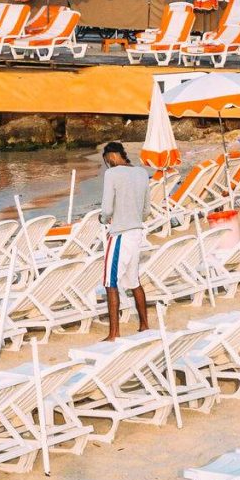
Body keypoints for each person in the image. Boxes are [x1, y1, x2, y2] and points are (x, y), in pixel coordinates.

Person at [98, 140, 152, 341]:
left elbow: (107, 209)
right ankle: (144, 325)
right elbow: (147, 209)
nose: (108, 165)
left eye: (107, 161)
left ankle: (113, 334)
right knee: (134, 281)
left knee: (110, 282)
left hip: (120, 233)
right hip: (137, 232)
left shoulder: (112, 174)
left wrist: (103, 219)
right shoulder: (141, 173)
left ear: (111, 157)